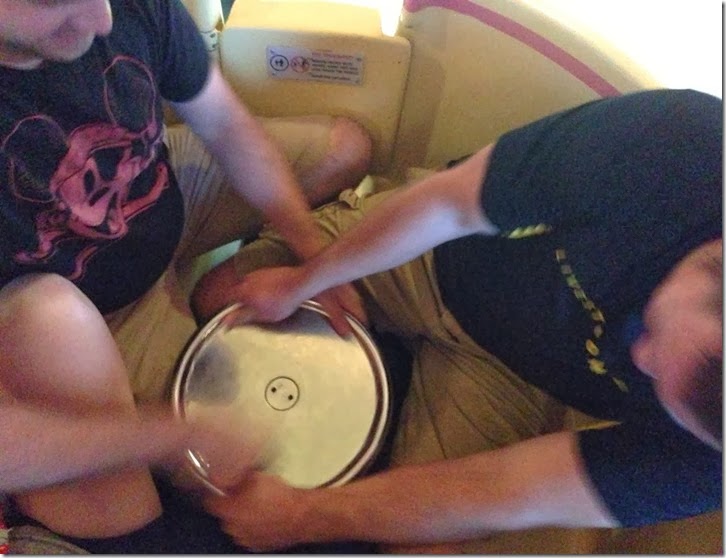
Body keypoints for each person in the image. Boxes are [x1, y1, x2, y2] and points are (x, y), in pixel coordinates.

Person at [194, 88, 723, 553]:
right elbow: (449, 203)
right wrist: (302, 282)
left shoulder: (714, 463)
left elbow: (506, 488)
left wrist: (300, 518)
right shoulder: (681, 150)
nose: (636, 357)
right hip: (438, 254)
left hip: (515, 376)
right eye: (655, 331)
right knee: (220, 297)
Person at [0, 0, 371, 553]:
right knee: (253, 482)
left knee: (348, 148)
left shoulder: (119, 8)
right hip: (90, 312)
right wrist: (168, 434)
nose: (104, 21)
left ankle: (218, 287)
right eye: (52, 1)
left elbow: (224, 124)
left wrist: (316, 260)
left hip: (154, 188)